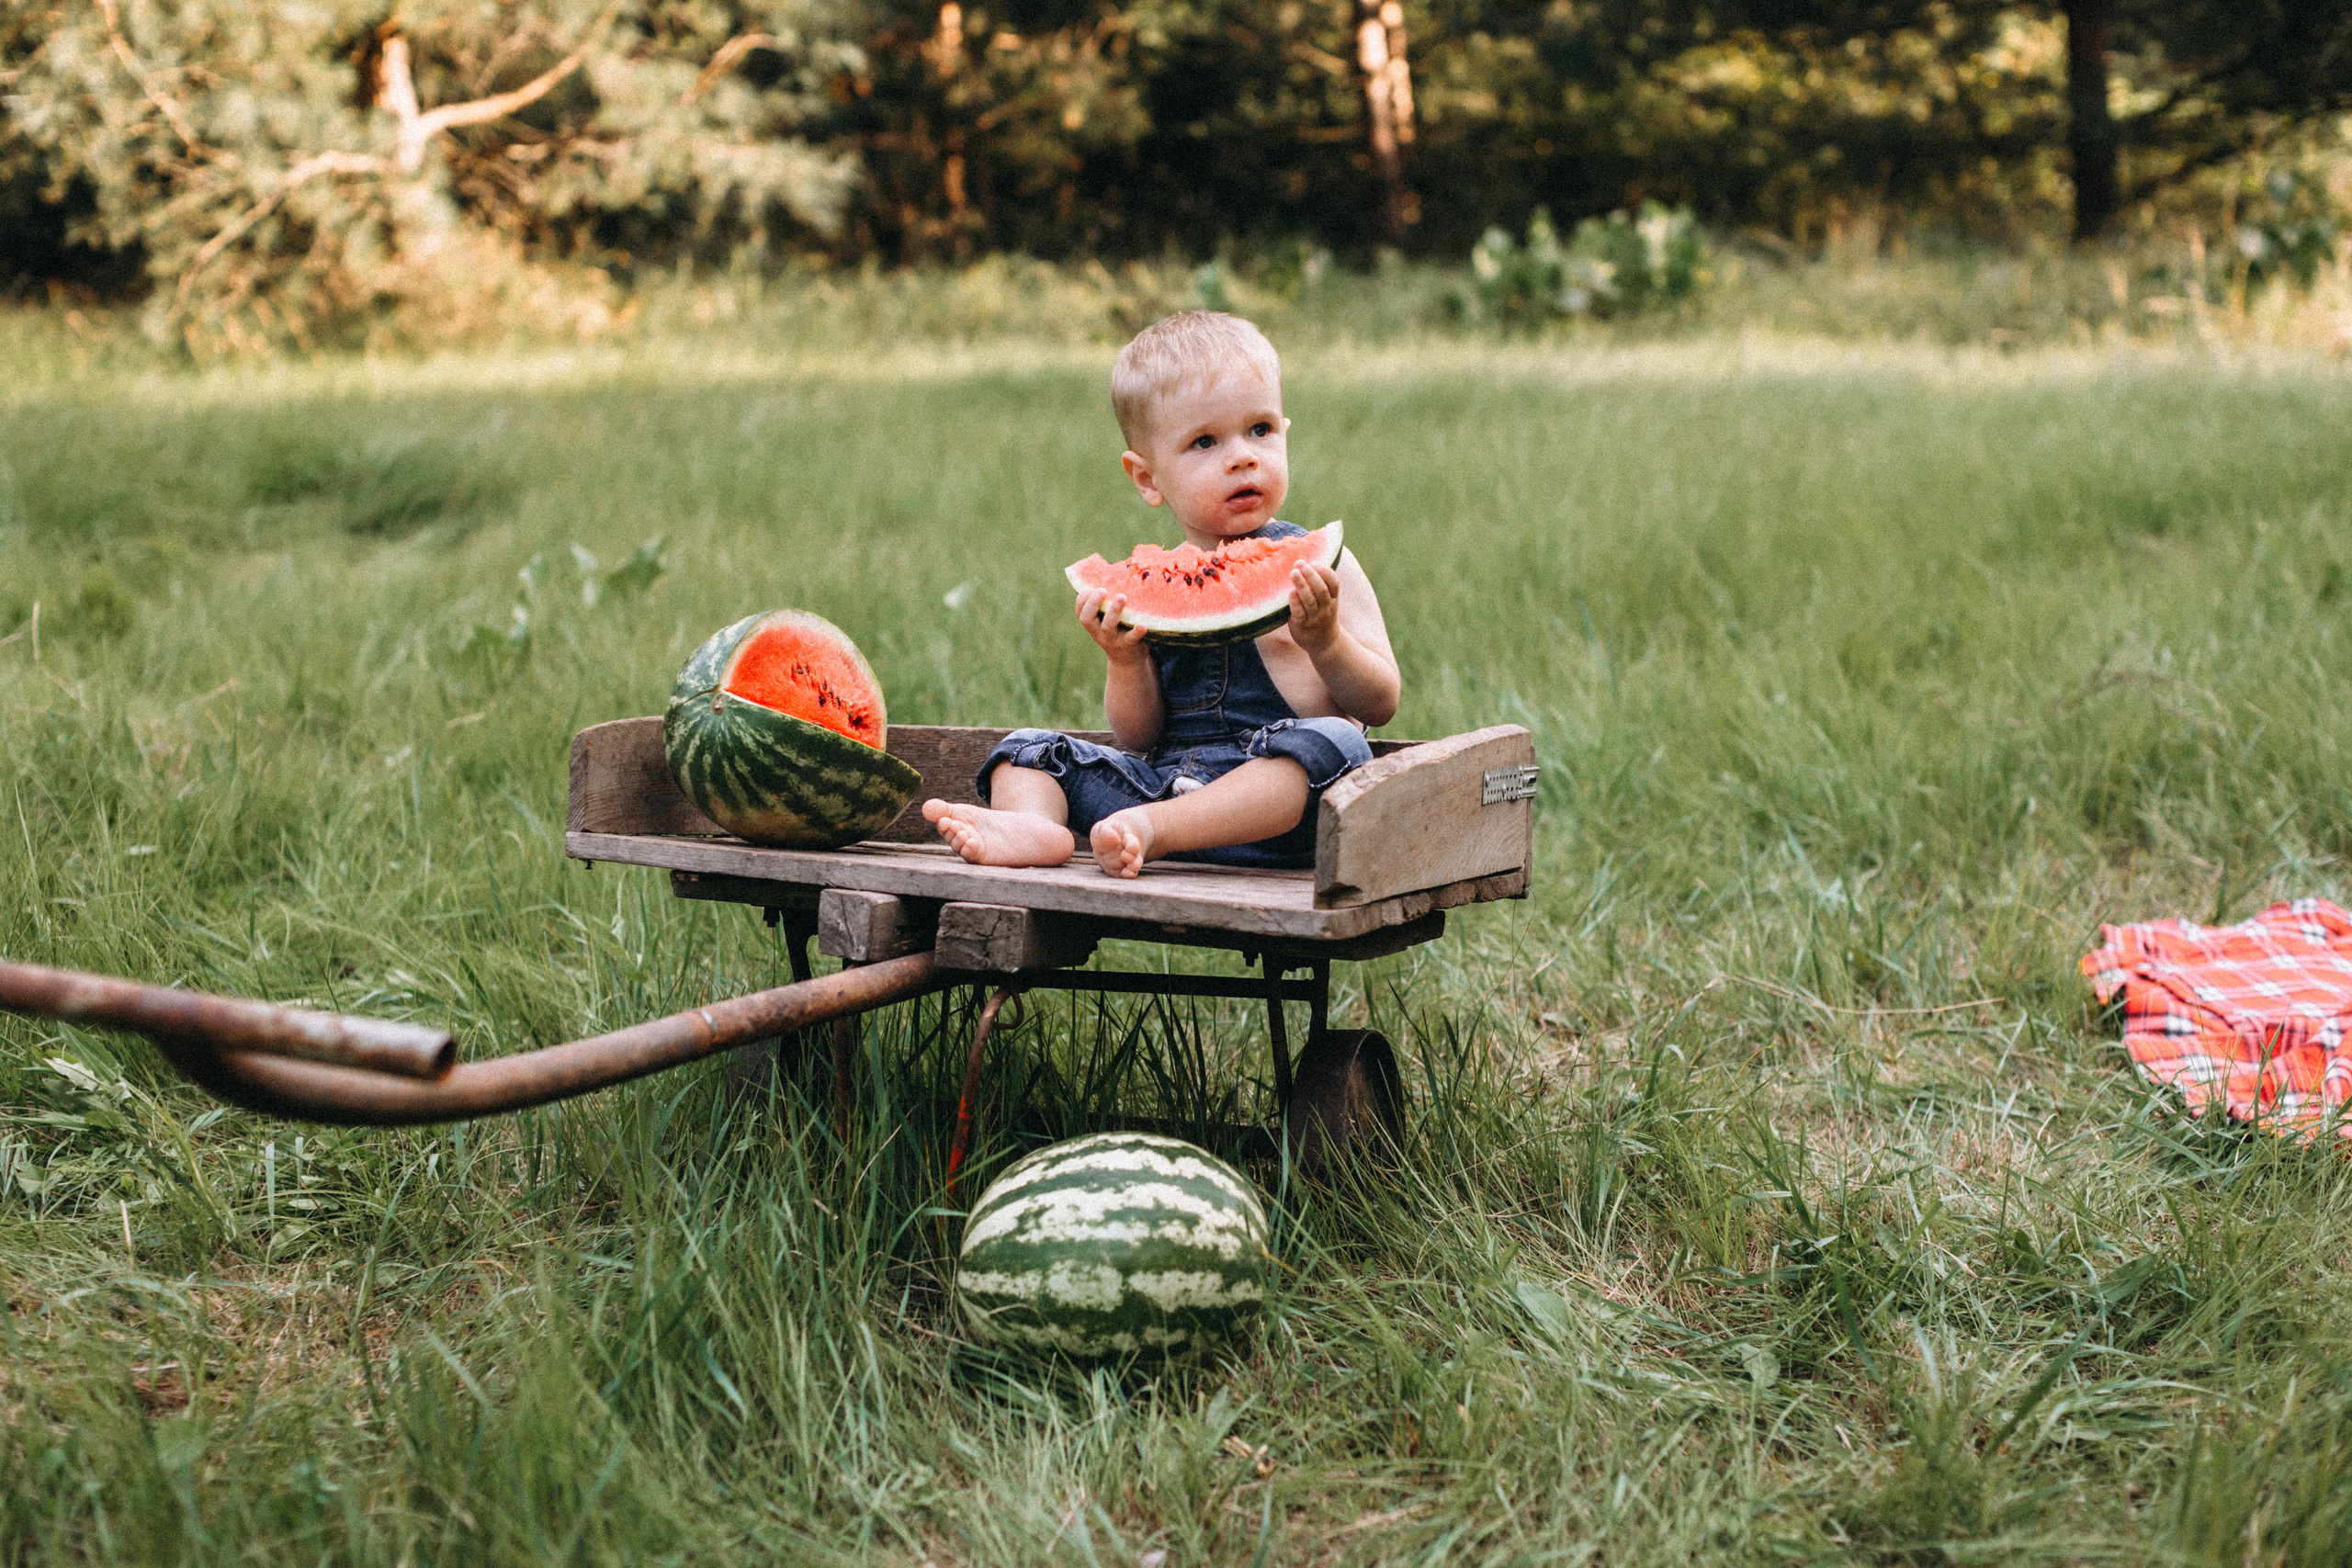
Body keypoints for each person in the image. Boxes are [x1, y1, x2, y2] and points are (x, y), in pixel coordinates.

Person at [922, 311, 1400, 877]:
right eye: (1204, 441)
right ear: (1148, 478)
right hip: (1159, 792)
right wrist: (1124, 660)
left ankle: (1157, 832)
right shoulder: (1151, 590)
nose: (1243, 455)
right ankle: (1038, 830)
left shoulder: (1322, 567)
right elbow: (1138, 736)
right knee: (1025, 750)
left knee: (1336, 743)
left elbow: (1380, 704)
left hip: (1282, 822)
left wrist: (1325, 642)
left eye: (1261, 430)